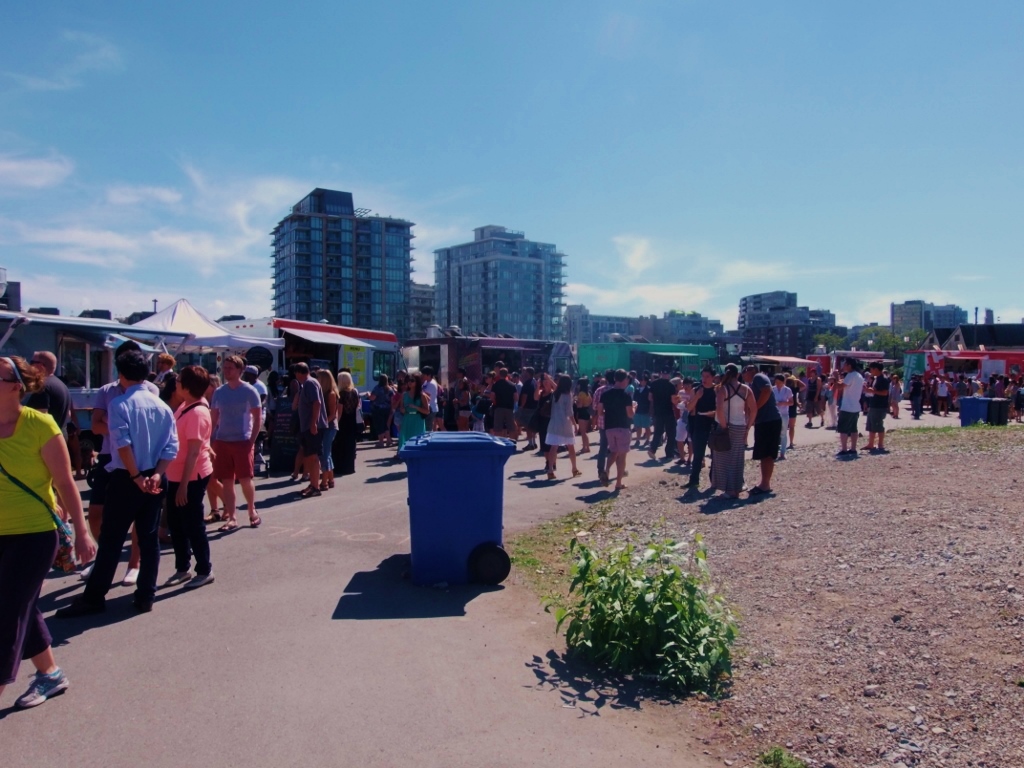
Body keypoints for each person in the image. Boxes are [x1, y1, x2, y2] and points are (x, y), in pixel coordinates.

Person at [0, 355, 96, 709]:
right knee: (20, 604)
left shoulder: (40, 425)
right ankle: (50, 674)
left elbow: (65, 482)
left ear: (16, 387)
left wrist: (82, 532)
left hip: (34, 534)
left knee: (7, 612)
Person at [56, 351, 178, 617]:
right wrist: (157, 474)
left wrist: (136, 476)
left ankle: (94, 597)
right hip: (155, 475)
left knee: (111, 539)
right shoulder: (163, 406)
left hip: (127, 476)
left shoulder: (120, 404)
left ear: (121, 374)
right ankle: (146, 595)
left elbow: (122, 444)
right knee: (148, 538)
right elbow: (171, 446)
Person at [162, 365, 216, 588]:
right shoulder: (187, 405)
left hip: (191, 476)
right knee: (176, 524)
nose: (175, 383)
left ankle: (204, 570)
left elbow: (194, 451)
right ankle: (182, 568)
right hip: (176, 474)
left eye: (179, 380)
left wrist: (184, 485)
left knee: (193, 525)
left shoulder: (197, 412)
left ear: (187, 386)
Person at [209, 355, 262, 530]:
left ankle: (252, 510)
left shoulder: (249, 391)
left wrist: (251, 441)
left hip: (242, 441)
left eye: (230, 368)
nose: (226, 371)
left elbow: (257, 418)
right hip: (222, 441)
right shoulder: (219, 392)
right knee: (227, 481)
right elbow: (213, 418)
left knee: (245, 479)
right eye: (225, 368)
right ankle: (232, 517)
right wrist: (209, 440)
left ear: (240, 370)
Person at [712, 364, 756, 499]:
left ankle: (729, 490)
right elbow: (754, 410)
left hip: (726, 426)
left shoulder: (723, 389)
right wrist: (748, 427)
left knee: (722, 459)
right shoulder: (746, 389)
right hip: (740, 426)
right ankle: (736, 487)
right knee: (737, 459)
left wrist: (724, 426)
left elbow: (719, 410)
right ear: (738, 374)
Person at [743, 365, 782, 495]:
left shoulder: (758, 377)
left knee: (767, 454)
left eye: (744, 371)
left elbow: (767, 390)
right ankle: (765, 483)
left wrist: (755, 408)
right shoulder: (753, 383)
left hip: (769, 421)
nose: (743, 374)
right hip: (765, 421)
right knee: (765, 454)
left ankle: (765, 485)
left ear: (752, 370)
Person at [293, 363, 327, 497]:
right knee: (310, 456)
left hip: (312, 426)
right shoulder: (306, 384)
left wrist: (313, 423)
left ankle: (315, 487)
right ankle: (313, 484)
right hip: (307, 426)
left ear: (298, 373)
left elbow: (317, 402)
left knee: (313, 456)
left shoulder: (310, 383)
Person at [600, 369, 634, 491]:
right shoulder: (626, 396)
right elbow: (630, 414)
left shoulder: (605, 394)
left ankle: (606, 469)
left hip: (609, 427)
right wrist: (634, 408)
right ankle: (618, 483)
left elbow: (600, 412)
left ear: (615, 379)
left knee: (613, 451)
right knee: (622, 456)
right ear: (625, 380)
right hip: (623, 427)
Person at [684, 367, 717, 490]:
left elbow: (722, 408)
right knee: (698, 454)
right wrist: (697, 397)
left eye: (707, 376)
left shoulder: (718, 389)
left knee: (715, 454)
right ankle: (694, 481)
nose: (704, 379)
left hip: (714, 424)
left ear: (713, 377)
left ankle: (714, 480)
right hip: (699, 423)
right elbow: (689, 408)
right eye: (703, 376)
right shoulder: (696, 390)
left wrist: (714, 413)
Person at [544, 374, 581, 481]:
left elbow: (556, 386)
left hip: (554, 423)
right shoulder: (568, 395)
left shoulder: (556, 393)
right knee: (571, 447)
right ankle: (574, 469)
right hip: (565, 424)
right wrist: (575, 424)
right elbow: (570, 412)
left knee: (553, 447)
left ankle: (550, 470)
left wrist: (549, 379)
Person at [24, 351, 71, 434]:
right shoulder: (62, 386)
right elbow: (68, 415)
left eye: (31, 363)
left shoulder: (42, 387)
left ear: (40, 366)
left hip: (44, 439)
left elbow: (38, 420)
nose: (29, 367)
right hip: (60, 436)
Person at [312, 370, 339, 491]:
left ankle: (324, 482)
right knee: (327, 453)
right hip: (324, 426)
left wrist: (321, 423)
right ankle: (331, 479)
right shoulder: (321, 392)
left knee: (325, 454)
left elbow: (332, 414)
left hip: (330, 427)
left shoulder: (331, 394)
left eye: (318, 377)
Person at [835, 358, 865, 457]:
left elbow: (840, 387)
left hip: (847, 406)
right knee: (853, 428)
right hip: (856, 406)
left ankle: (844, 449)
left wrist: (836, 377)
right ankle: (853, 448)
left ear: (849, 365)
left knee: (843, 429)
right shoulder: (859, 375)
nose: (843, 366)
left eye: (845, 365)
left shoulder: (850, 375)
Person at [647, 368, 677, 461]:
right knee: (671, 433)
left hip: (658, 411)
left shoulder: (654, 384)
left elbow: (650, 397)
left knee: (658, 431)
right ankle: (669, 454)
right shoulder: (671, 385)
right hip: (668, 411)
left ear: (660, 373)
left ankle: (652, 449)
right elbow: (673, 400)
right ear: (669, 374)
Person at [335, 371, 361, 478]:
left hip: (343, 422)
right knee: (351, 445)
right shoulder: (355, 392)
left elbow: (340, 412)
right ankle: (350, 467)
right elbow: (357, 407)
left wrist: (336, 423)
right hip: (352, 421)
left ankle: (341, 467)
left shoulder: (341, 394)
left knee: (341, 445)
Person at [863, 362, 890, 454]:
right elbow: (875, 391)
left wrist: (872, 391)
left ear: (876, 369)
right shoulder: (876, 379)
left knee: (878, 425)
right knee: (871, 425)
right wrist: (869, 390)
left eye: (871, 369)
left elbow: (885, 393)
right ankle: (871, 444)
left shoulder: (883, 379)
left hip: (880, 406)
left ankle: (880, 444)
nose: (870, 371)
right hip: (873, 404)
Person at [398, 374, 429, 451]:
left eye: (412, 381)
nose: (409, 382)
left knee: (417, 438)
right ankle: (402, 452)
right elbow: (401, 408)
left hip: (418, 419)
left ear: (417, 382)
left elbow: (427, 411)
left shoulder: (422, 395)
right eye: (408, 380)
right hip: (407, 418)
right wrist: (403, 410)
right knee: (405, 436)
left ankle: (417, 453)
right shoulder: (404, 394)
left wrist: (416, 407)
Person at [490, 368, 518, 439]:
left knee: (498, 428)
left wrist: (495, 402)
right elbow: (516, 398)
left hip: (498, 408)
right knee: (511, 428)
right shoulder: (512, 385)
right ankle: (512, 442)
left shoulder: (496, 384)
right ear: (507, 374)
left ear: (499, 374)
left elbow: (492, 397)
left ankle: (499, 443)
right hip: (509, 408)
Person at [772, 374, 794, 460]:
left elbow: (792, 402)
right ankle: (774, 452)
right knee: (774, 433)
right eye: (776, 382)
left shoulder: (787, 390)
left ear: (783, 382)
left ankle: (783, 452)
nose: (777, 384)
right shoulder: (772, 389)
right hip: (774, 414)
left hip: (784, 413)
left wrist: (783, 403)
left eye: (779, 382)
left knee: (783, 433)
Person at [369, 374, 394, 447]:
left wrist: (368, 395)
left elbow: (372, 398)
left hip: (378, 410)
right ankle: (388, 441)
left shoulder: (377, 388)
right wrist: (392, 409)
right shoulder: (389, 389)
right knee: (386, 425)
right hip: (387, 409)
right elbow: (392, 400)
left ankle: (381, 442)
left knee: (380, 425)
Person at [517, 368, 539, 451]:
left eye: (525, 372)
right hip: (535, 407)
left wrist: (521, 406)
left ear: (528, 373)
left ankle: (530, 444)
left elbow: (524, 396)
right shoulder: (535, 382)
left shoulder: (527, 383)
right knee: (532, 426)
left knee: (528, 426)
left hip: (527, 407)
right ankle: (533, 443)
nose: (523, 374)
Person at [632, 373, 652, 448]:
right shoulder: (637, 389)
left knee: (647, 426)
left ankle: (648, 439)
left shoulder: (649, 389)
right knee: (638, 426)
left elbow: (650, 401)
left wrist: (650, 410)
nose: (642, 382)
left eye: (643, 380)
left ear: (646, 381)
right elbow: (634, 399)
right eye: (641, 380)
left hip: (646, 410)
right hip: (637, 410)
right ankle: (638, 440)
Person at [420, 366, 441, 432]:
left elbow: (427, 397)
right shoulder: (426, 382)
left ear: (429, 375)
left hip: (431, 408)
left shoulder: (431, 384)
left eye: (424, 374)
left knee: (428, 428)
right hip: (428, 408)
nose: (422, 376)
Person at [574, 378, 592, 453]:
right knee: (585, 431)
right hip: (587, 411)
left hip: (582, 412)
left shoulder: (581, 393)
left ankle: (585, 447)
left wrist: (575, 401)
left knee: (583, 432)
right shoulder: (588, 393)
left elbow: (580, 405)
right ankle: (586, 446)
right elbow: (590, 401)